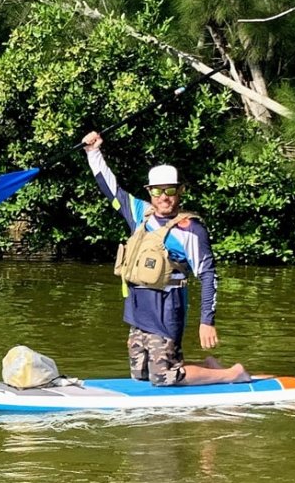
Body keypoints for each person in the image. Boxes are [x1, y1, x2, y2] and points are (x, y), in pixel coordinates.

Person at [80, 131, 250, 386]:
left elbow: (207, 274)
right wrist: (93, 153)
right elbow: (111, 189)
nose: (164, 197)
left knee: (164, 376)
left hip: (166, 308)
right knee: (141, 376)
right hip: (138, 310)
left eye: (170, 190)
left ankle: (232, 373)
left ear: (180, 191)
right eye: (158, 190)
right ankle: (206, 368)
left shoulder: (189, 229)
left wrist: (207, 321)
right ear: (150, 192)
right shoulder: (139, 213)